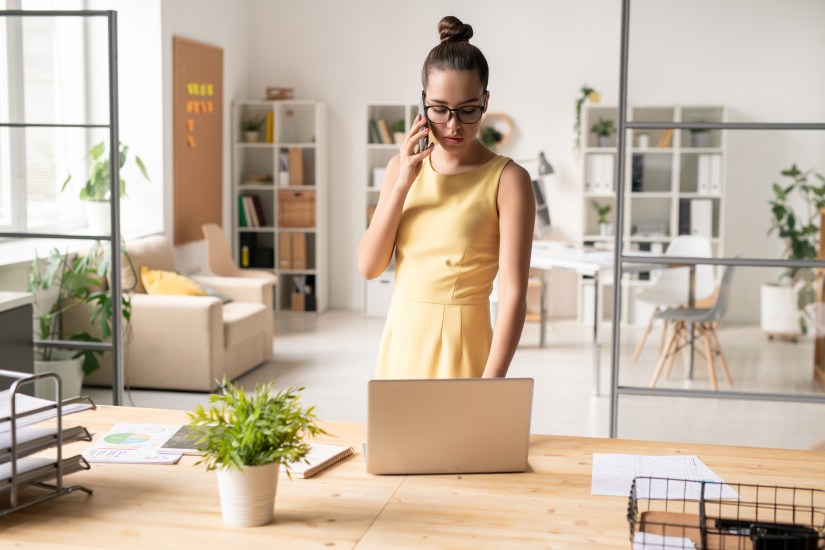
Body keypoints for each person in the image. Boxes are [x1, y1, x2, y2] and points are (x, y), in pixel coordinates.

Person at [358, 15, 535, 379]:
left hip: (464, 347)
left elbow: (514, 294)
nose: (453, 125)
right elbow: (370, 267)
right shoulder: (399, 168)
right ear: (423, 103)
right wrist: (403, 183)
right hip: (401, 344)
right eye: (439, 109)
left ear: (485, 101)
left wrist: (492, 382)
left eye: (468, 109)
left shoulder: (509, 180)